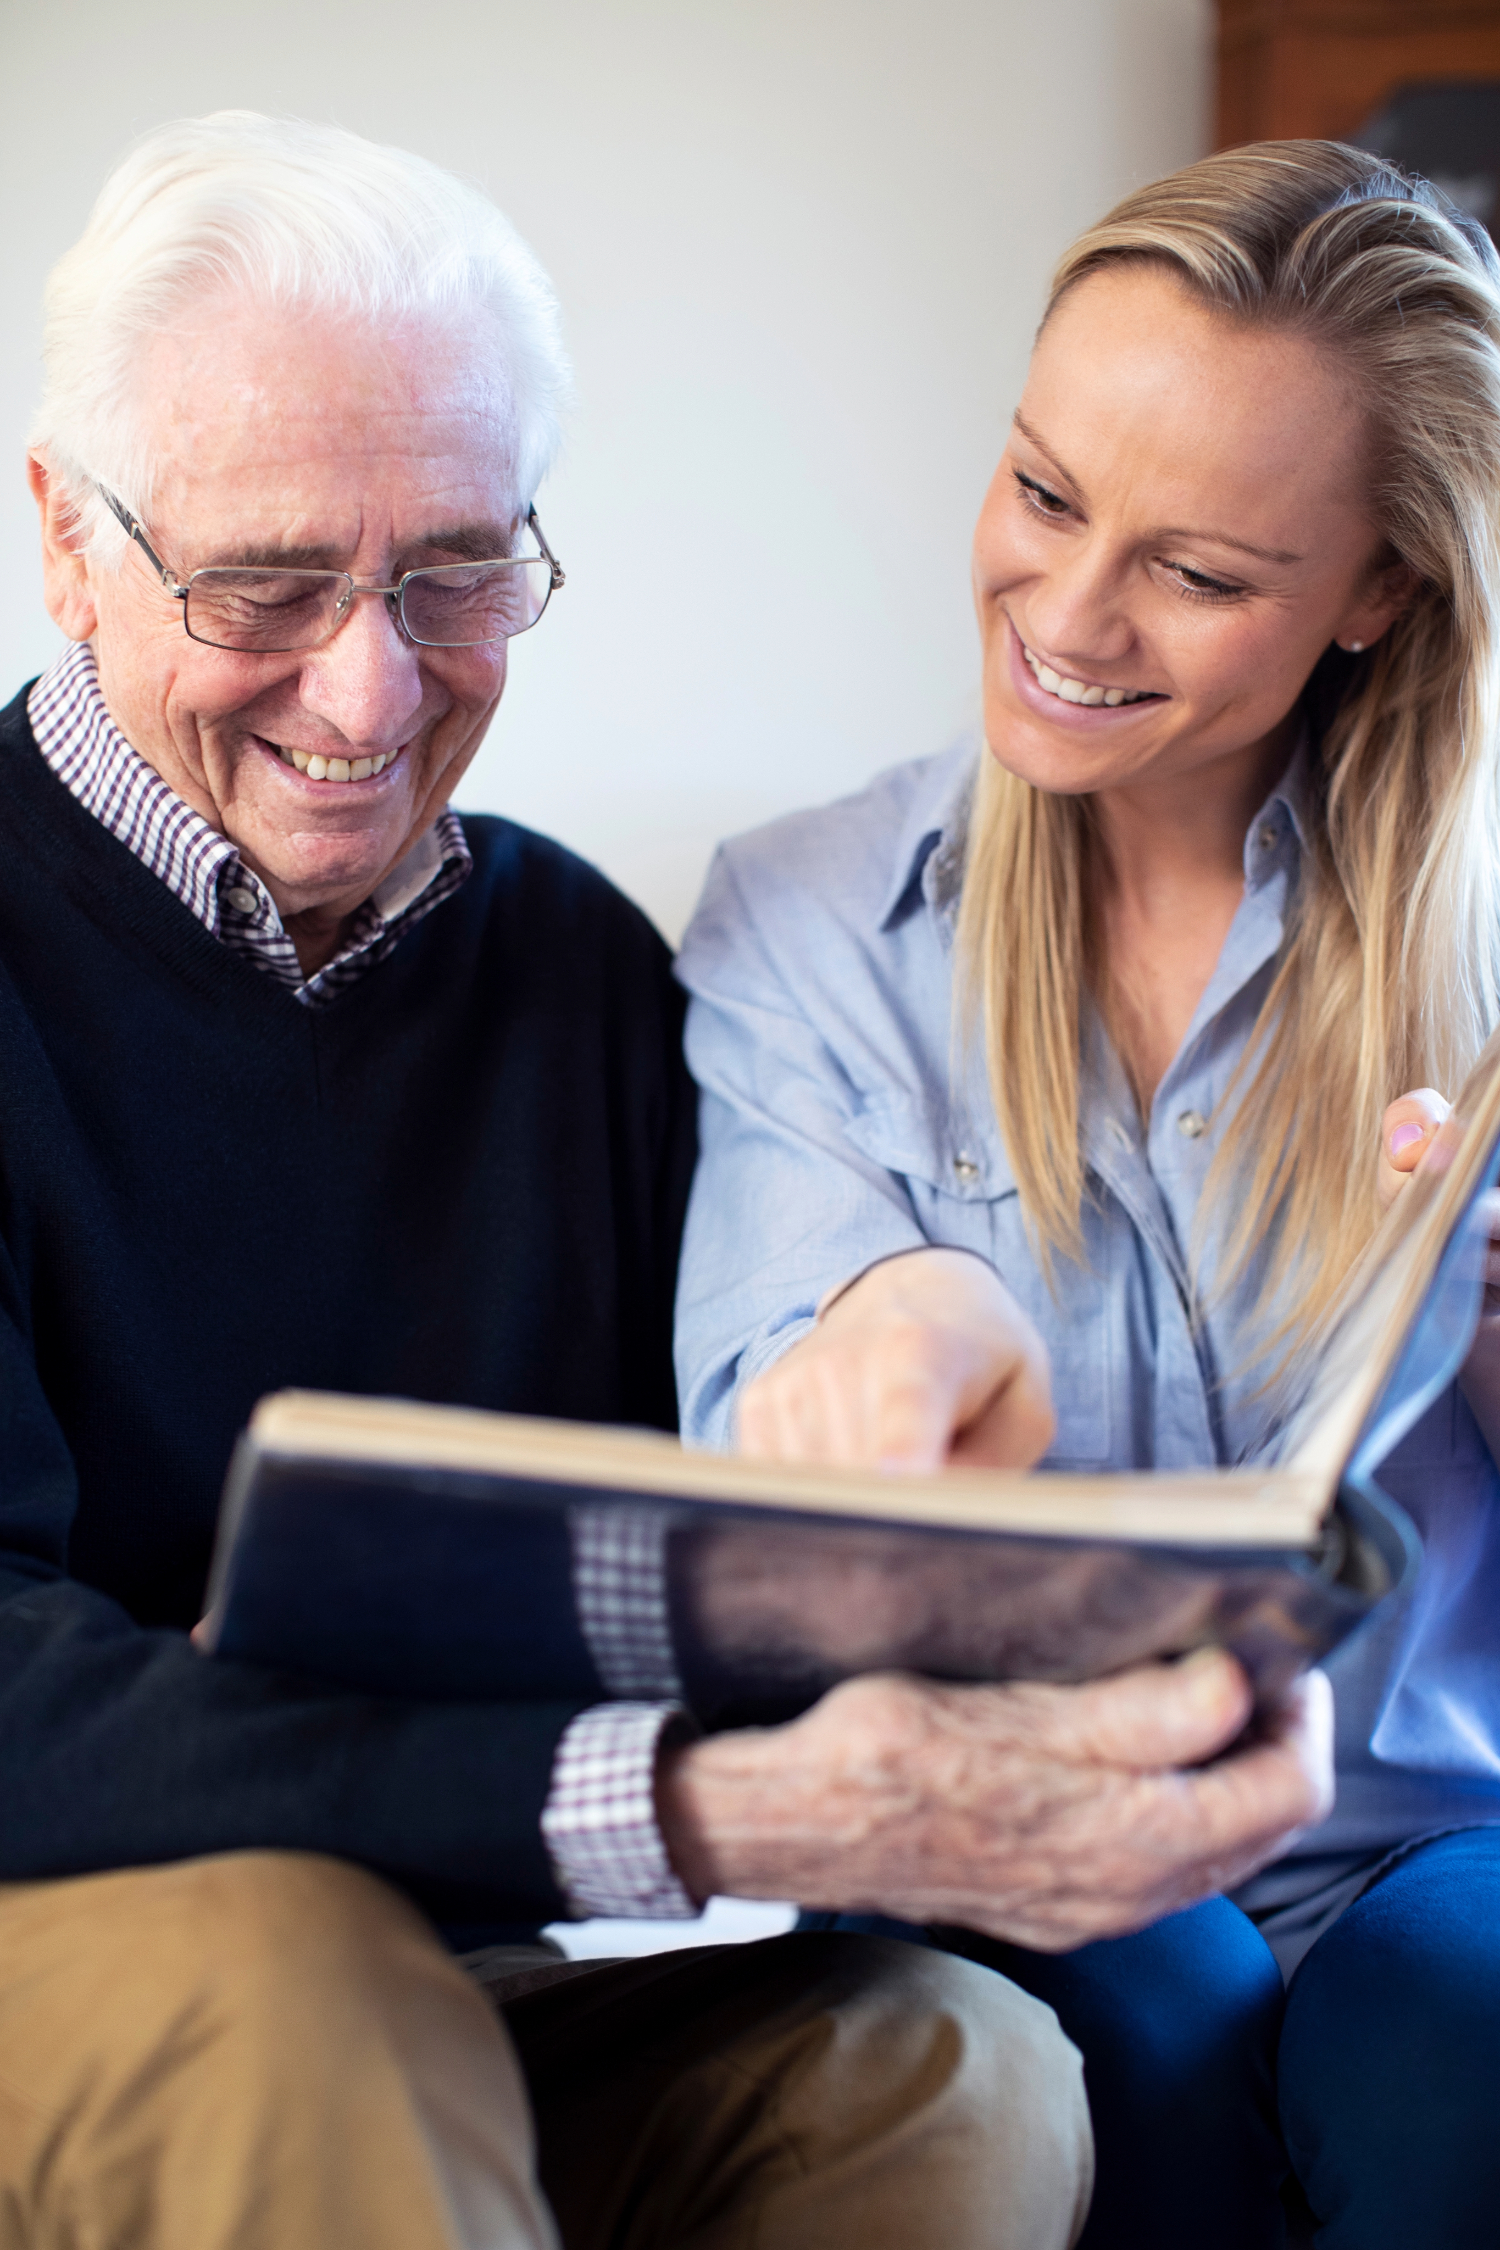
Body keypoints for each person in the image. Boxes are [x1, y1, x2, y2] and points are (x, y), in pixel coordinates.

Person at [0, 109, 1331, 2250]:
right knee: (297, 1983)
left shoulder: (572, 972)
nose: (371, 689)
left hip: (468, 1961)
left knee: (948, 2065)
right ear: (68, 537)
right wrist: (692, 1803)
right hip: (79, 1946)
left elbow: (697, 1567)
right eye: (262, 585)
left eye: (456, 574)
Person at [674, 140, 1500, 2250]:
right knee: (1145, 2011)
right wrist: (878, 1353)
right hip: (1008, 1813)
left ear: (1380, 592)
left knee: (1457, 2042)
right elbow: (759, 1440)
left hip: (1435, 1839)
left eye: (1203, 572)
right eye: (1045, 495)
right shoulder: (809, 926)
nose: (1066, 618)